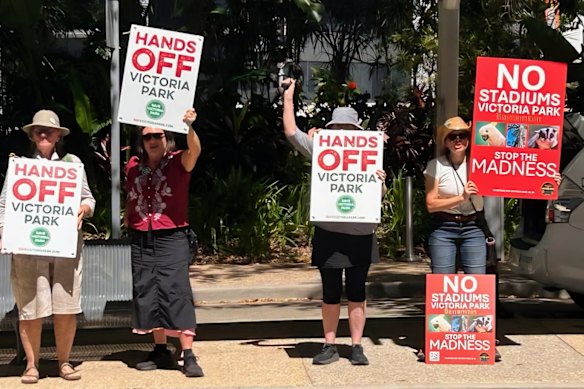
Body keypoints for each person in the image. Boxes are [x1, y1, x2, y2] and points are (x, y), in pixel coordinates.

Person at [282, 78, 386, 366]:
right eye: (337, 128)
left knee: (357, 292)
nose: (342, 133)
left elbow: (377, 194)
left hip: (362, 233)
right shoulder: (319, 149)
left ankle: (356, 346)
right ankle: (329, 344)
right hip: (329, 232)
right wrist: (288, 96)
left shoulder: (370, 153)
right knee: (330, 293)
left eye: (348, 129)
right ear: (330, 130)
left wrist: (381, 181)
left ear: (357, 132)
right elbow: (291, 131)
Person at [0, 109, 95, 384]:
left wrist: (83, 208)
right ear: (32, 135)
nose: (44, 134)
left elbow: (89, 198)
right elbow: (5, 204)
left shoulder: (72, 163)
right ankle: (32, 365)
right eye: (39, 130)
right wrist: (5, 233)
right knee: (30, 306)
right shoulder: (20, 167)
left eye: (49, 130)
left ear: (58, 136)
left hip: (65, 247)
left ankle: (64, 362)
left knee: (65, 306)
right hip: (28, 250)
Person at [124, 108, 203, 377]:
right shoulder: (135, 165)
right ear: (141, 142)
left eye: (158, 135)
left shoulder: (178, 161)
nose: (153, 140)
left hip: (172, 236)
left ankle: (188, 352)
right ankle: (160, 350)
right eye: (147, 137)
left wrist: (189, 128)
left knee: (176, 291)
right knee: (147, 291)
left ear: (167, 137)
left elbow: (195, 151)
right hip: (142, 237)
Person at [422, 116, 502, 362]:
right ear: (445, 141)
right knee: (442, 285)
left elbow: (513, 179)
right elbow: (431, 204)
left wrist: (546, 181)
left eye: (462, 136)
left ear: (469, 140)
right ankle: (437, 339)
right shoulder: (435, 166)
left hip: (473, 227)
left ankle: (483, 339)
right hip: (444, 227)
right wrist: (461, 197)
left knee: (478, 285)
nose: (458, 140)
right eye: (452, 136)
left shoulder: (482, 163)